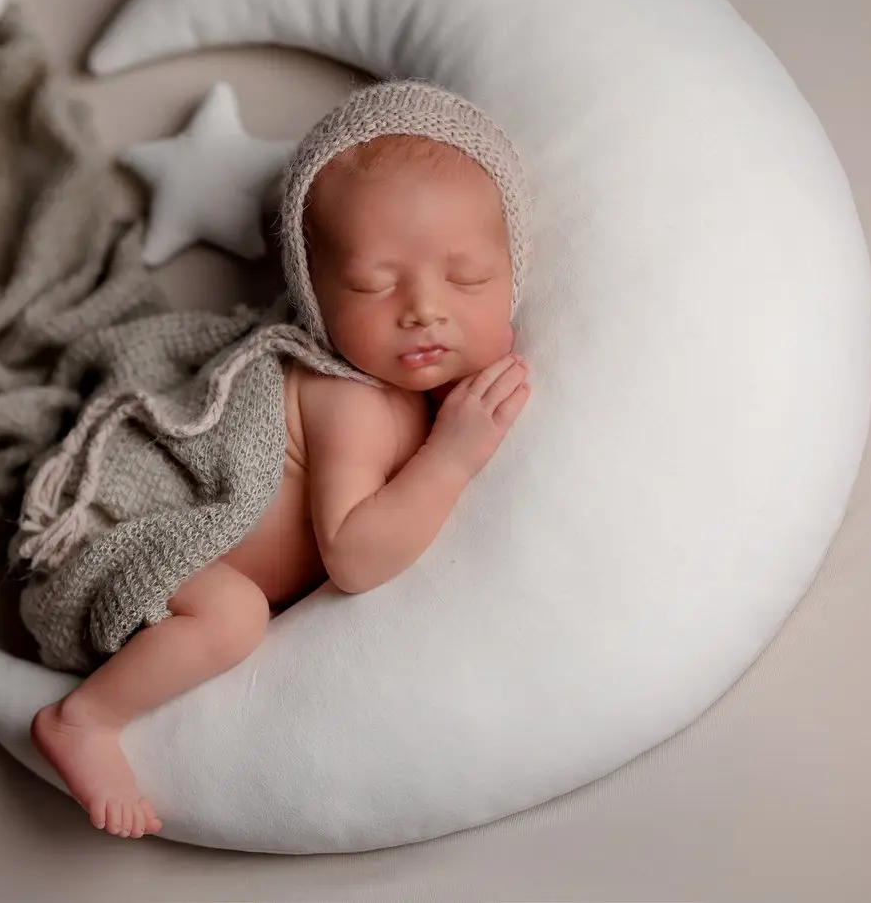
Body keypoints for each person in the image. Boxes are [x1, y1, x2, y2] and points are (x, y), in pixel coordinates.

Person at [31, 80, 534, 839]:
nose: (424, 309)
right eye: (372, 284)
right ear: (315, 297)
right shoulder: (352, 399)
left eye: (468, 278)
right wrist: (453, 457)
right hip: (143, 565)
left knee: (235, 610)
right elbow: (355, 557)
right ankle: (82, 720)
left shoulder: (418, 396)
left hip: (185, 598)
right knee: (234, 615)